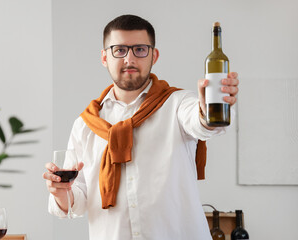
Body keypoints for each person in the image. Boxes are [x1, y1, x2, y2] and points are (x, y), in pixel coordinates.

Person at [43, 14, 239, 240]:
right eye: (119, 50)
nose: (129, 59)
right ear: (104, 57)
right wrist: (60, 192)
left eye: (139, 49)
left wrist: (210, 108)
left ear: (153, 56)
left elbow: (202, 123)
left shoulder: (178, 104)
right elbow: (78, 201)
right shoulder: (85, 125)